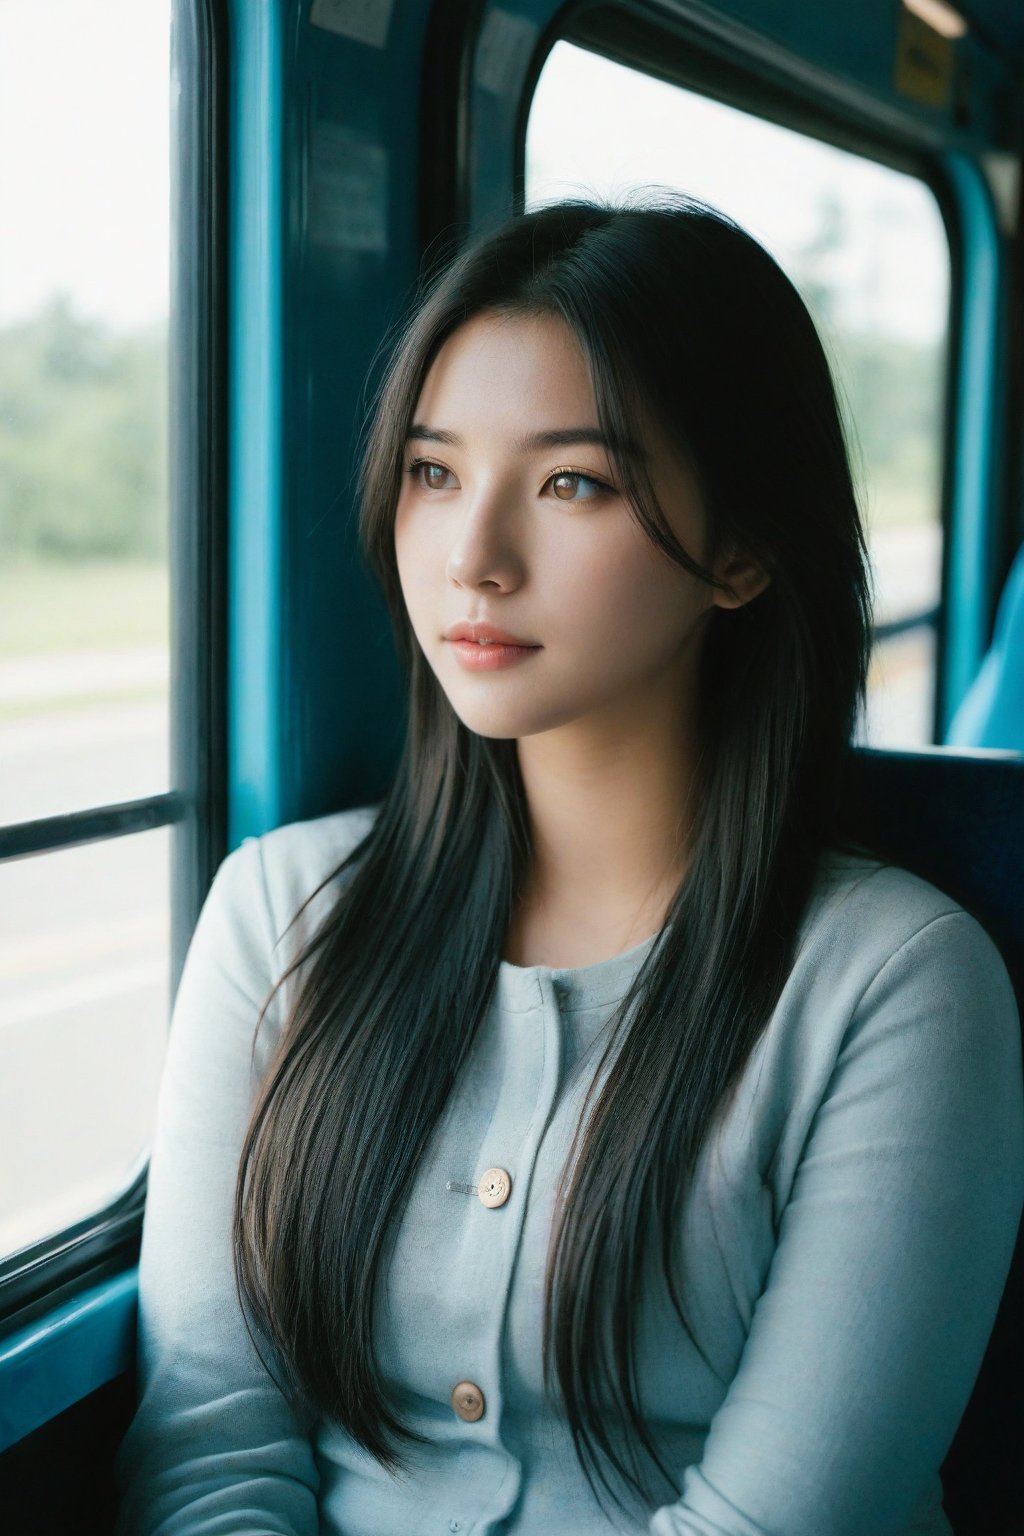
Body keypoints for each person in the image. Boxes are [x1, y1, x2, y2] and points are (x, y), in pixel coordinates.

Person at [115, 193, 1024, 1536]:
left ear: (743, 550)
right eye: (434, 472)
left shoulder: (897, 983)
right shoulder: (280, 913)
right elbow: (212, 1442)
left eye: (571, 484)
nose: (471, 559)